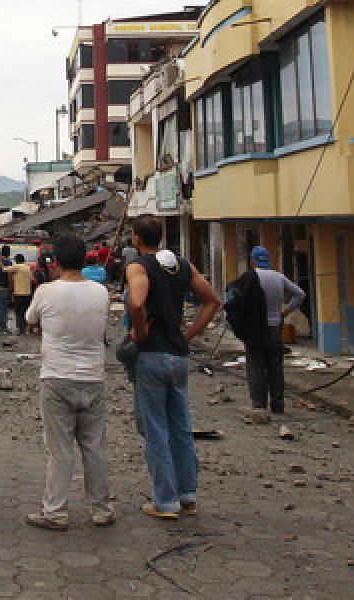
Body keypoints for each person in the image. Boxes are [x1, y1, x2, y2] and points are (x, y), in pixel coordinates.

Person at [124, 215, 219, 521]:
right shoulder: (181, 265)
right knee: (181, 426)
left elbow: (137, 303)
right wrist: (188, 334)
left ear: (138, 239)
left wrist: (139, 332)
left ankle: (165, 501)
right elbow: (212, 300)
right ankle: (188, 495)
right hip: (178, 357)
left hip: (152, 355)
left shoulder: (139, 267)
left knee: (156, 428)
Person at [24, 233, 113, 531]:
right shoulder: (100, 292)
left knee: (59, 450)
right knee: (94, 447)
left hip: (56, 377)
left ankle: (55, 511)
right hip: (92, 377)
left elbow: (30, 319)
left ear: (56, 262)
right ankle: (101, 510)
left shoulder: (47, 292)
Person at [241, 245, 306, 417]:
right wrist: (286, 310)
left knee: (256, 366)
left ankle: (258, 405)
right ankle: (278, 404)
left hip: (256, 329)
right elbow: (300, 294)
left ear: (253, 261)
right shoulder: (279, 277)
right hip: (275, 327)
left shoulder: (251, 278)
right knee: (275, 367)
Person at [10, 252, 35, 335]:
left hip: (18, 293)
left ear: (16, 261)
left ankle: (21, 329)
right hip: (27, 293)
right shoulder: (28, 268)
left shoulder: (17, 267)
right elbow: (32, 280)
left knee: (18, 312)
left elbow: (4, 269)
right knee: (26, 311)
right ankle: (27, 328)